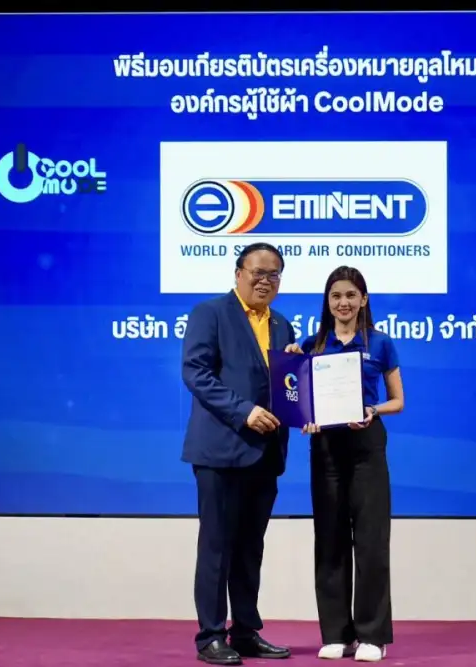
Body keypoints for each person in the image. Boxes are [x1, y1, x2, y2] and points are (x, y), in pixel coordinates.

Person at [181, 243, 296, 666]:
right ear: (238, 273)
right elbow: (196, 372)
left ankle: (245, 631)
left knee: (250, 549)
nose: (266, 281)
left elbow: (286, 389)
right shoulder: (210, 313)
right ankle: (210, 636)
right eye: (258, 272)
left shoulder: (282, 326)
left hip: (266, 455)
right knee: (218, 547)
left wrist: (302, 391)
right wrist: (243, 411)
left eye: (274, 274)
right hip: (220, 452)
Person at [285, 266, 405, 663]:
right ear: (328, 301)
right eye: (336, 295)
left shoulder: (380, 343)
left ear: (363, 300)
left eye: (351, 295)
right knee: (330, 540)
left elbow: (398, 401)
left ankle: (372, 635)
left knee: (371, 542)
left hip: (367, 445)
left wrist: (373, 410)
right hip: (326, 448)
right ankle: (337, 633)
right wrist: (298, 397)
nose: (344, 302)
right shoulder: (313, 344)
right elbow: (297, 399)